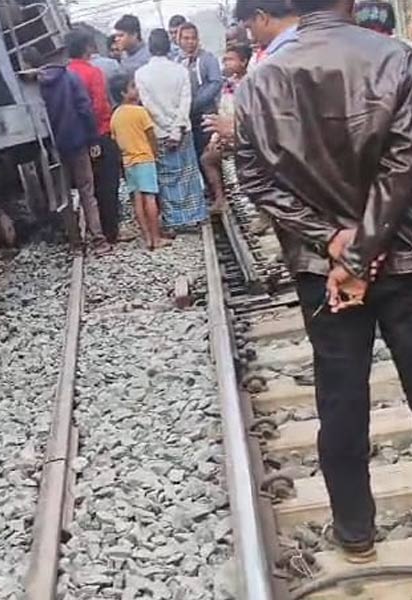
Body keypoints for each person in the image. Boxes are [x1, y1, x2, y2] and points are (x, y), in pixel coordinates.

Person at [235, 0, 412, 563]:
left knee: (340, 398)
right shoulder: (395, 59)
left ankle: (355, 532)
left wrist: (333, 244)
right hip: (403, 259)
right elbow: (403, 164)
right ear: (353, 3)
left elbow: (254, 177)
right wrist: (364, 249)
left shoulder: (260, 81)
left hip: (322, 271)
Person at [23, 47, 111, 256]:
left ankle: (75, 245)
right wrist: (92, 139)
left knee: (64, 197)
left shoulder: (31, 86)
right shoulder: (70, 77)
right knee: (87, 192)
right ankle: (98, 241)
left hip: (52, 149)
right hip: (77, 142)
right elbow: (85, 108)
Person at [136, 29, 208, 231]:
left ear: (150, 48)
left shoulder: (141, 74)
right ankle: (194, 217)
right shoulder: (181, 71)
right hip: (183, 130)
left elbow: (148, 105)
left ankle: (174, 220)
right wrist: (177, 128)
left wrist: (166, 128)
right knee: (188, 174)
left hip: (158, 132)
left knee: (166, 177)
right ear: (169, 46)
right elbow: (186, 101)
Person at [206, 0, 298, 147]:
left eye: (249, 28)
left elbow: (287, 124)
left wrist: (237, 130)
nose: (251, 37)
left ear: (261, 17)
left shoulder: (281, 59)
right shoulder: (311, 39)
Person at [67, 29, 122, 245]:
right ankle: (111, 232)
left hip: (77, 139)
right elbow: (99, 105)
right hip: (99, 133)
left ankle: (93, 230)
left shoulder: (67, 73)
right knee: (108, 183)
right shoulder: (93, 73)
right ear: (88, 48)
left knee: (87, 188)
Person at [109, 73, 166, 250]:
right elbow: (151, 136)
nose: (136, 89)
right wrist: (156, 153)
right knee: (150, 197)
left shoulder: (115, 116)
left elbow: (115, 141)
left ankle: (146, 237)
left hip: (128, 162)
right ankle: (157, 238)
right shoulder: (140, 112)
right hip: (145, 159)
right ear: (123, 93)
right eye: (132, 86)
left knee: (137, 199)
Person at [201, 43, 251, 212]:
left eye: (230, 60)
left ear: (243, 62)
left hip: (247, 135)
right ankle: (221, 198)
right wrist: (216, 136)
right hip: (227, 134)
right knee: (208, 157)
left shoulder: (252, 82)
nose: (226, 64)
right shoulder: (228, 85)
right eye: (225, 60)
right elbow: (223, 111)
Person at [177, 23, 223, 166]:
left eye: (193, 38)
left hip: (206, 116)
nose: (190, 42)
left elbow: (216, 82)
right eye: (186, 38)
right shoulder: (177, 62)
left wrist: (195, 103)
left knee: (210, 155)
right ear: (179, 40)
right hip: (188, 120)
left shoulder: (208, 58)